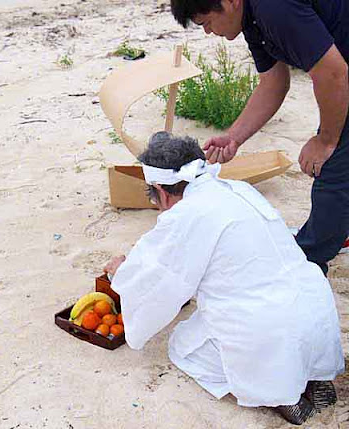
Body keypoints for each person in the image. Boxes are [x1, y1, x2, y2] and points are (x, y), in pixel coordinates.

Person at [104, 132, 344, 425]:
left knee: (183, 345)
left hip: (268, 327)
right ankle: (313, 374)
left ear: (161, 190)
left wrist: (120, 272)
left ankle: (283, 397)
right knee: (271, 322)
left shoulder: (185, 215)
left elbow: (157, 279)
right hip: (315, 309)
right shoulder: (239, 189)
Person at [168, 0, 349, 276]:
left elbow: (333, 73)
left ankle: (306, 261)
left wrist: (326, 140)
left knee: (333, 168)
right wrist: (233, 137)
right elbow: (274, 82)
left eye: (207, 23)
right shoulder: (252, 19)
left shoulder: (274, 8)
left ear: (230, 2)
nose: (208, 32)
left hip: (340, 72)